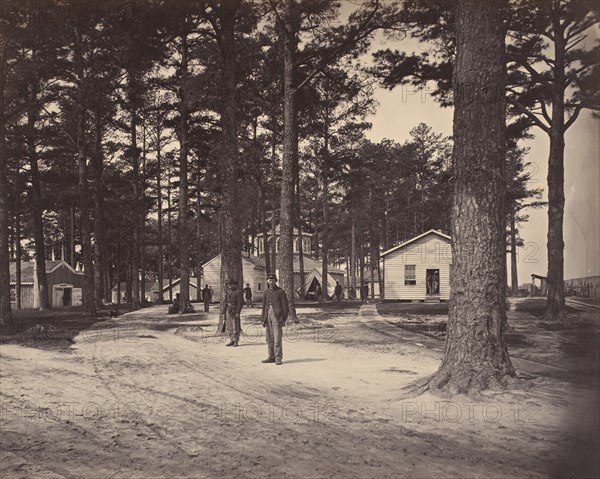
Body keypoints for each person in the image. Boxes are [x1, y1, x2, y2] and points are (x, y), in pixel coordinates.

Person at [261, 273, 289, 365]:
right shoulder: (266, 292)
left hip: (277, 317)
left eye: (273, 280)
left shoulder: (281, 292)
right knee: (269, 338)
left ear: (276, 281)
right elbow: (264, 305)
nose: (271, 282)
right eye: (269, 280)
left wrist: (283, 319)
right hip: (267, 315)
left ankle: (278, 357)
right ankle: (271, 356)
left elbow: (285, 306)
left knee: (277, 338)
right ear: (267, 281)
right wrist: (263, 318)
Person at [224, 279, 244, 347]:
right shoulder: (230, 292)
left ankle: (236, 340)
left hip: (234, 310)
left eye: (232, 284)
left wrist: (238, 312)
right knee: (230, 326)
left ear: (235, 285)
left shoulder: (238, 292)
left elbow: (240, 303)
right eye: (229, 284)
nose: (230, 286)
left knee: (235, 326)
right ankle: (232, 340)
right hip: (229, 309)